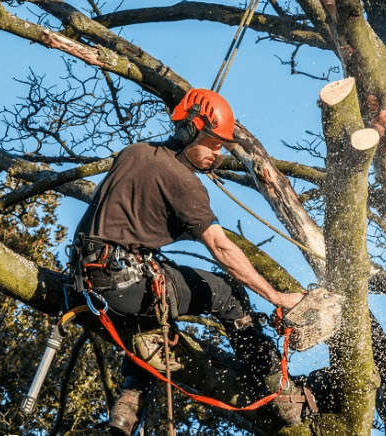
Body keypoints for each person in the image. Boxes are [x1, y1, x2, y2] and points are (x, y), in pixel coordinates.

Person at [70, 89, 313, 435]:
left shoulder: (133, 154)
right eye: (213, 143)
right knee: (227, 292)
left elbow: (131, 216)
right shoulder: (183, 182)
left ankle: (121, 424)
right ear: (190, 132)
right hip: (124, 283)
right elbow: (220, 246)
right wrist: (276, 297)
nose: (218, 152)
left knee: (152, 333)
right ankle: (279, 392)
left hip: (84, 283)